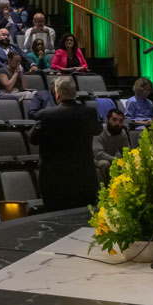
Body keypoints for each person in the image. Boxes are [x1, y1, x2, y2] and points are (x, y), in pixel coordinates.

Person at [29, 76, 102, 211]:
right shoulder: (89, 112)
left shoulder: (47, 115)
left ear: (57, 94)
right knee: (84, 221)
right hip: (83, 179)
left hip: (54, 181)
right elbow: (98, 129)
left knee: (56, 222)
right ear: (75, 93)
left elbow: (33, 139)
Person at [93, 108, 131, 185]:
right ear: (108, 120)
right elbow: (98, 154)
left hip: (112, 159)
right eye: (114, 120)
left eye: (120, 121)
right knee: (105, 163)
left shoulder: (122, 132)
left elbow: (126, 151)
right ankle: (108, 189)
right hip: (96, 160)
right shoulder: (100, 131)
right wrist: (116, 160)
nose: (117, 123)